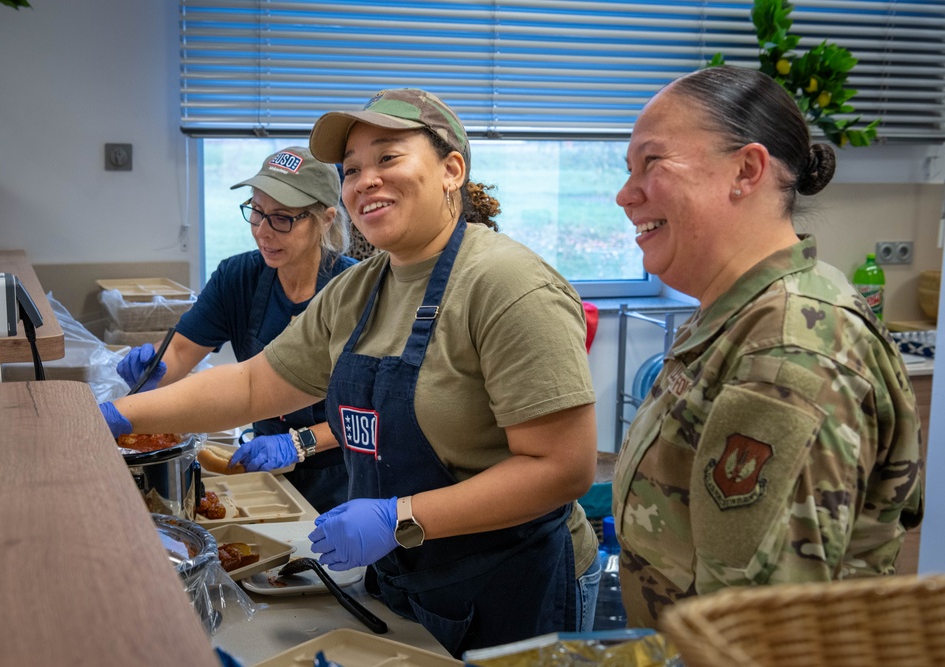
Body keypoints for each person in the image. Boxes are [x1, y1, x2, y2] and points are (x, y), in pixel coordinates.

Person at [100, 88, 599, 656]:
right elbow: (253, 384)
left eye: (388, 158)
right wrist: (117, 416)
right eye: (352, 168)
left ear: (451, 170)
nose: (366, 180)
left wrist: (400, 516)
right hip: (401, 576)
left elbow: (563, 467)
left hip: (512, 583)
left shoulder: (507, 286)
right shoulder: (360, 289)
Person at [610, 65, 924, 628]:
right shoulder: (737, 311)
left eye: (651, 163)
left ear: (746, 169)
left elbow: (761, 631)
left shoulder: (790, 351)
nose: (624, 194)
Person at [115, 146, 357, 513]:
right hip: (262, 468)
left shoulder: (356, 290)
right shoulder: (238, 278)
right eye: (256, 212)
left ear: (325, 218)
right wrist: (154, 369)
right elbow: (181, 353)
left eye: (282, 219)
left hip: (344, 477)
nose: (263, 231)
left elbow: (373, 410)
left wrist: (299, 442)